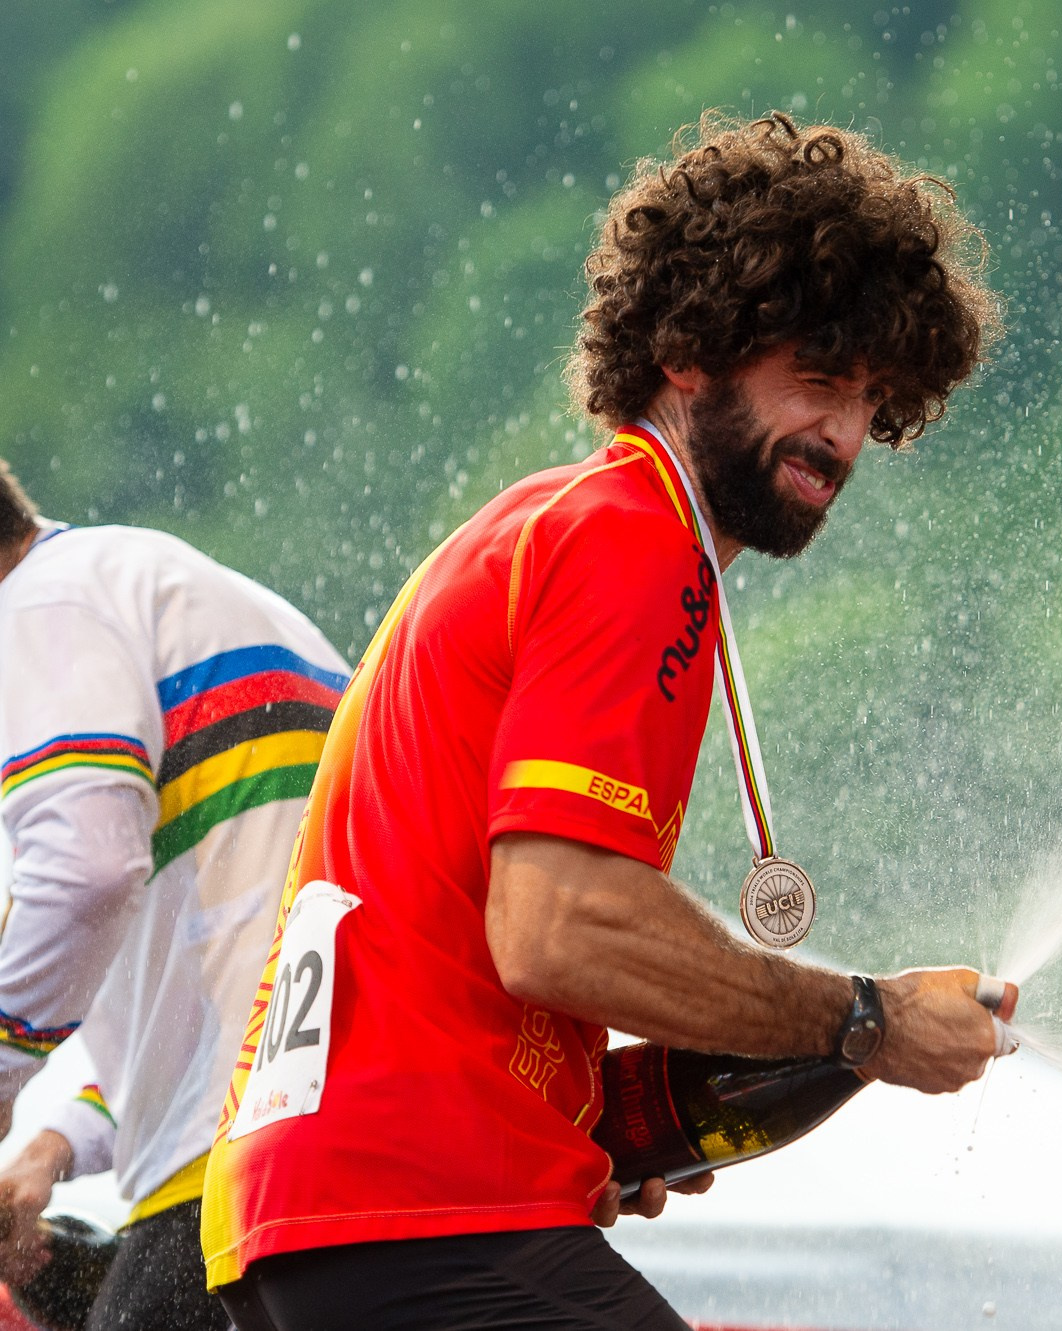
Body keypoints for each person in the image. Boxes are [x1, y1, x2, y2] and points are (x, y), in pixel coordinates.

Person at [202, 112, 1005, 1331]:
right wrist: (867, 1019)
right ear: (690, 350)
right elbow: (557, 927)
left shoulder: (549, 522)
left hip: (319, 1217)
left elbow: (472, 946)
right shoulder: (635, 541)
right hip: (425, 1211)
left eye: (872, 401)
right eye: (819, 378)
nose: (843, 434)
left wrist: (600, 1118)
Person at [0, 458, 350, 1330]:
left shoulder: (38, 614)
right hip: (342, 1119)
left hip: (247, 1156)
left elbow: (85, 872)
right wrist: (52, 1145)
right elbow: (206, 970)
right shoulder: (150, 584)